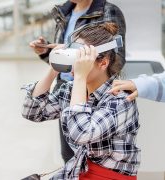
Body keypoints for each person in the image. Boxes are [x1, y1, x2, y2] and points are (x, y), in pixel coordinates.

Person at [22, 22, 139, 179]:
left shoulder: (120, 98)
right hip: (80, 170)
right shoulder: (73, 89)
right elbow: (32, 112)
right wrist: (53, 69)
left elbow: (81, 134)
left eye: (81, 58)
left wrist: (80, 77)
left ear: (103, 62)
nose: (75, 64)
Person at [29, 0, 126, 163]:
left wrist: (91, 84)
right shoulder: (64, 12)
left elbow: (116, 57)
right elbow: (32, 111)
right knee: (69, 154)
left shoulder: (108, 11)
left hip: (94, 88)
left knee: (89, 151)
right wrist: (50, 55)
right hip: (68, 84)